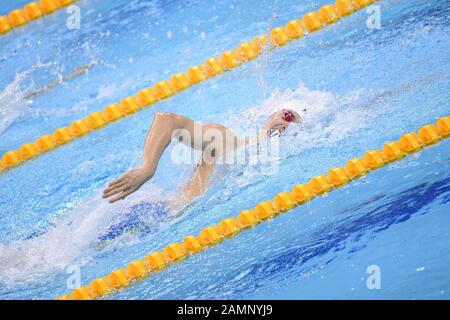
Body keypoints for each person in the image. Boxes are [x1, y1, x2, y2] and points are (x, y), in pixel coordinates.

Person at [102, 108, 301, 205]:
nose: (285, 124)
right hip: (155, 215)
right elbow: (167, 120)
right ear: (268, 119)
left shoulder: (260, 168)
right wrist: (148, 167)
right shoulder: (226, 141)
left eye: (292, 121)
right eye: (285, 116)